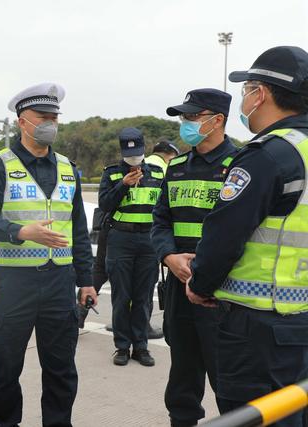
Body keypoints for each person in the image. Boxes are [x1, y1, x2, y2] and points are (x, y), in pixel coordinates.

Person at [186, 46, 308, 426]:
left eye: (247, 90)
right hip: (300, 317)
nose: (246, 99)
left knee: (252, 417)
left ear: (262, 94)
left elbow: (224, 234)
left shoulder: (268, 154)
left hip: (257, 328)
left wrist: (200, 284)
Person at [0, 83, 96, 427]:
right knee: (7, 368)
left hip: (60, 283)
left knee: (61, 369)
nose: (50, 123)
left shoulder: (69, 168)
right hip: (14, 285)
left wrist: (86, 281)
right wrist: (20, 232)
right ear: (22, 121)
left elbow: (78, 231)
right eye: (43, 117)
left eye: (54, 117)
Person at [152, 88, 237, 427]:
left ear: (217, 121)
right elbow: (160, 222)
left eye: (192, 116)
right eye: (183, 117)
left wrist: (203, 269)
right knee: (183, 379)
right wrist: (169, 256)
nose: (185, 123)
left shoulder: (241, 166)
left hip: (222, 293)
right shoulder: (176, 169)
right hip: (178, 288)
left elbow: (240, 230)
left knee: (229, 382)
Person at [99, 127, 163, 366]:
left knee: (143, 296)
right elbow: (105, 204)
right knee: (121, 295)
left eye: (137, 153)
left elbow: (164, 209)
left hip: (148, 241)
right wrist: (123, 185)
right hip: (121, 240)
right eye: (129, 154)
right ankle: (122, 347)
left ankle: (141, 346)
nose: (134, 158)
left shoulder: (157, 173)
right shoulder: (112, 173)